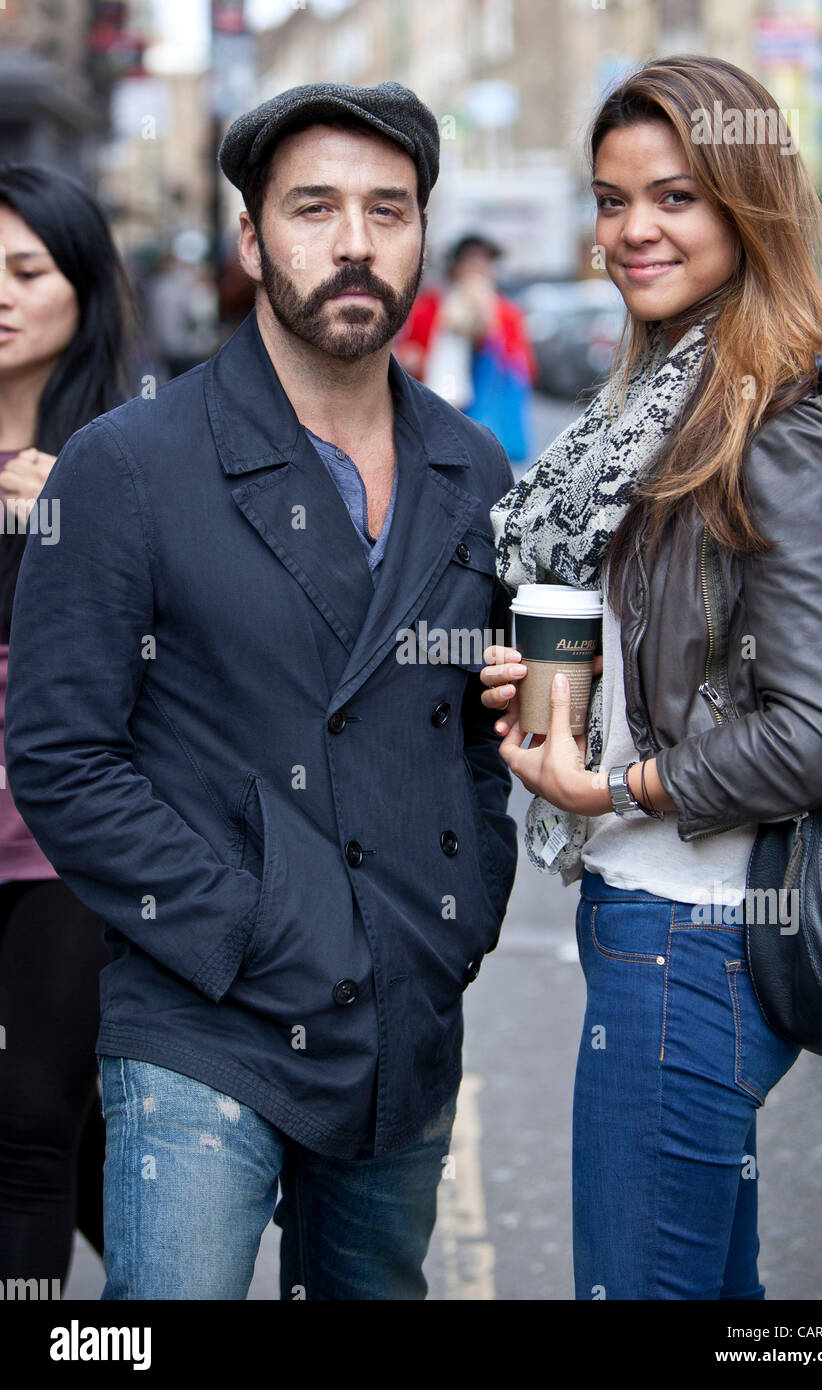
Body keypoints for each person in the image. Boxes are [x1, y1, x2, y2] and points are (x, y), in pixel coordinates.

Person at [5, 81, 518, 1300]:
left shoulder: (473, 465)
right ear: (251, 240)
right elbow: (64, 757)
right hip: (199, 1016)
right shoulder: (128, 462)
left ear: (422, 234)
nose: (353, 242)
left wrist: (460, 913)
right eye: (314, 208)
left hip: (404, 1011)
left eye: (387, 211)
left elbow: (479, 742)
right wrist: (241, 931)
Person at [480, 54, 822, 1300]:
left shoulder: (773, 424)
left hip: (692, 933)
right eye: (612, 200)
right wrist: (574, 692)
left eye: (676, 197)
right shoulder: (665, 403)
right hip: (661, 921)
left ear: (748, 203)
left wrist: (621, 782)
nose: (632, 231)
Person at [0, 162, 132, 1288]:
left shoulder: (129, 454)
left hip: (65, 839)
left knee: (31, 1122)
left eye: (25, 269)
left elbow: (188, 646)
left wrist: (72, 525)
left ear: (83, 287)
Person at [394, 233, 536, 462]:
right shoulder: (429, 307)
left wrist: (488, 325)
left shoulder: (507, 313)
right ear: (455, 267)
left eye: (484, 263)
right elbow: (406, 353)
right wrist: (416, 359)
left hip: (484, 417)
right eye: (470, 262)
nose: (477, 270)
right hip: (435, 411)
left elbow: (522, 368)